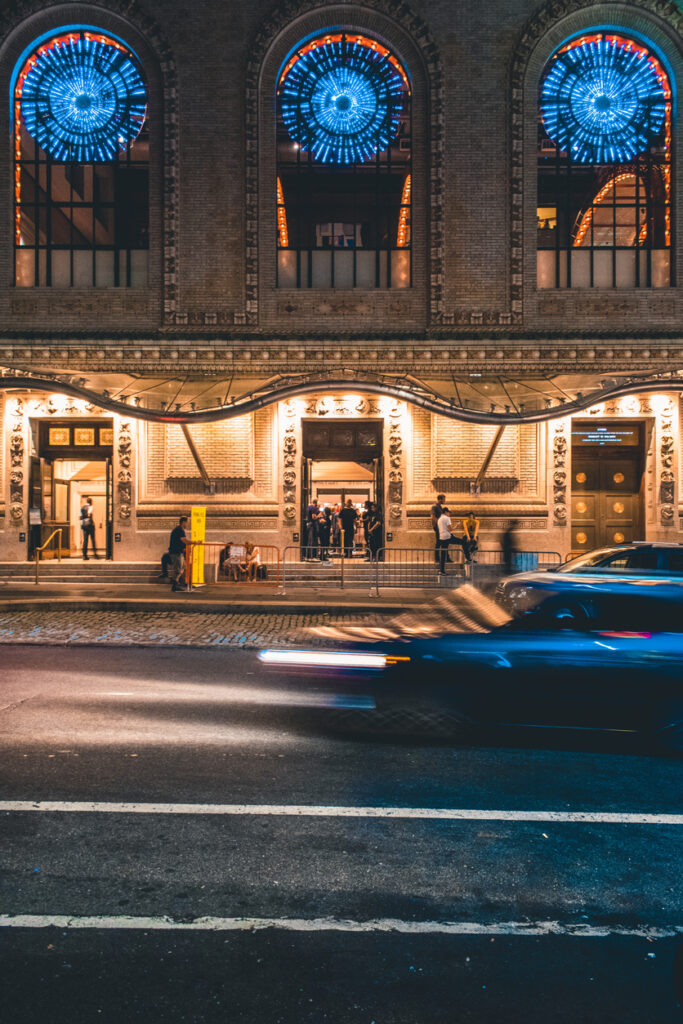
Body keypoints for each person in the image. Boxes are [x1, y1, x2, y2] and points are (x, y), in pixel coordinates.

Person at [168, 515, 188, 591]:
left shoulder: (179, 529)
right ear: (183, 522)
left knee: (183, 567)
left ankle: (177, 583)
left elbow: (179, 542)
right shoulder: (179, 529)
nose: (187, 525)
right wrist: (194, 542)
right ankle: (174, 586)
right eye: (187, 523)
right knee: (178, 569)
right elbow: (184, 540)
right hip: (175, 553)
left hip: (179, 552)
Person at [437, 506, 457, 574]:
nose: (449, 514)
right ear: (446, 512)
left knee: (443, 555)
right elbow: (450, 529)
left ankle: (442, 570)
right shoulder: (447, 518)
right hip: (447, 537)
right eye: (449, 512)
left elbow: (445, 528)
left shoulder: (439, 519)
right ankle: (468, 556)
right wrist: (456, 526)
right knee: (463, 542)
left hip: (442, 538)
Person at [431, 493, 446, 564]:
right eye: (444, 499)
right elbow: (433, 517)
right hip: (438, 527)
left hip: (441, 527)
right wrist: (439, 523)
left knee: (442, 542)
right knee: (438, 542)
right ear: (440, 499)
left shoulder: (439, 506)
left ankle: (443, 558)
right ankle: (437, 558)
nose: (445, 500)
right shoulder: (434, 506)